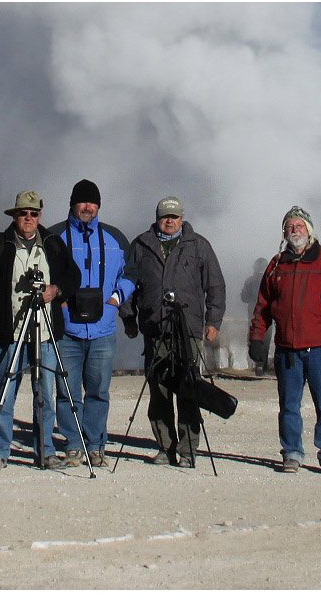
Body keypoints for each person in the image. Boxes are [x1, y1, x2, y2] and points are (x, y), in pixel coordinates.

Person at [247, 206, 321, 475]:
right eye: (289, 226)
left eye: (298, 226)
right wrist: (257, 338)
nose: (293, 230)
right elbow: (262, 306)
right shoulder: (276, 265)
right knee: (288, 405)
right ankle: (292, 452)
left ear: (309, 231)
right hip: (287, 349)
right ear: (284, 232)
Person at [123, 196, 226, 468]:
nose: (170, 221)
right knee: (159, 389)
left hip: (188, 327)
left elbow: (215, 285)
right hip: (155, 328)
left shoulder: (199, 246)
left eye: (175, 216)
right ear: (157, 218)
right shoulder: (141, 245)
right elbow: (126, 284)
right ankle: (164, 447)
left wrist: (213, 321)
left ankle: (188, 449)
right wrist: (128, 319)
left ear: (182, 218)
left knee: (188, 387)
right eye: (165, 216)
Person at [0, 190, 80, 471]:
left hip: (45, 333)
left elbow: (73, 276)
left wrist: (56, 290)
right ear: (14, 215)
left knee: (45, 395)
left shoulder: (53, 244)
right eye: (23, 213)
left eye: (33, 213)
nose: (28, 218)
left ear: (39, 216)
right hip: (10, 332)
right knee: (5, 394)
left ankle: (45, 451)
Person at [48, 179, 137, 468]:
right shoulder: (54, 236)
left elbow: (131, 273)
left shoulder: (114, 237)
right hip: (67, 330)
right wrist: (58, 303)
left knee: (98, 391)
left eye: (92, 202)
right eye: (82, 201)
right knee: (67, 391)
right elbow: (43, 271)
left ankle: (96, 444)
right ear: (72, 204)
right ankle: (74, 444)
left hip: (102, 330)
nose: (87, 207)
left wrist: (115, 300)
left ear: (98, 206)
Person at [241, 257, 271, 375]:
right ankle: (262, 365)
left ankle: (256, 362)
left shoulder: (250, 280)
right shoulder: (270, 279)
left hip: (253, 311)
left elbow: (244, 297)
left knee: (254, 335)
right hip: (267, 311)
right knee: (267, 338)